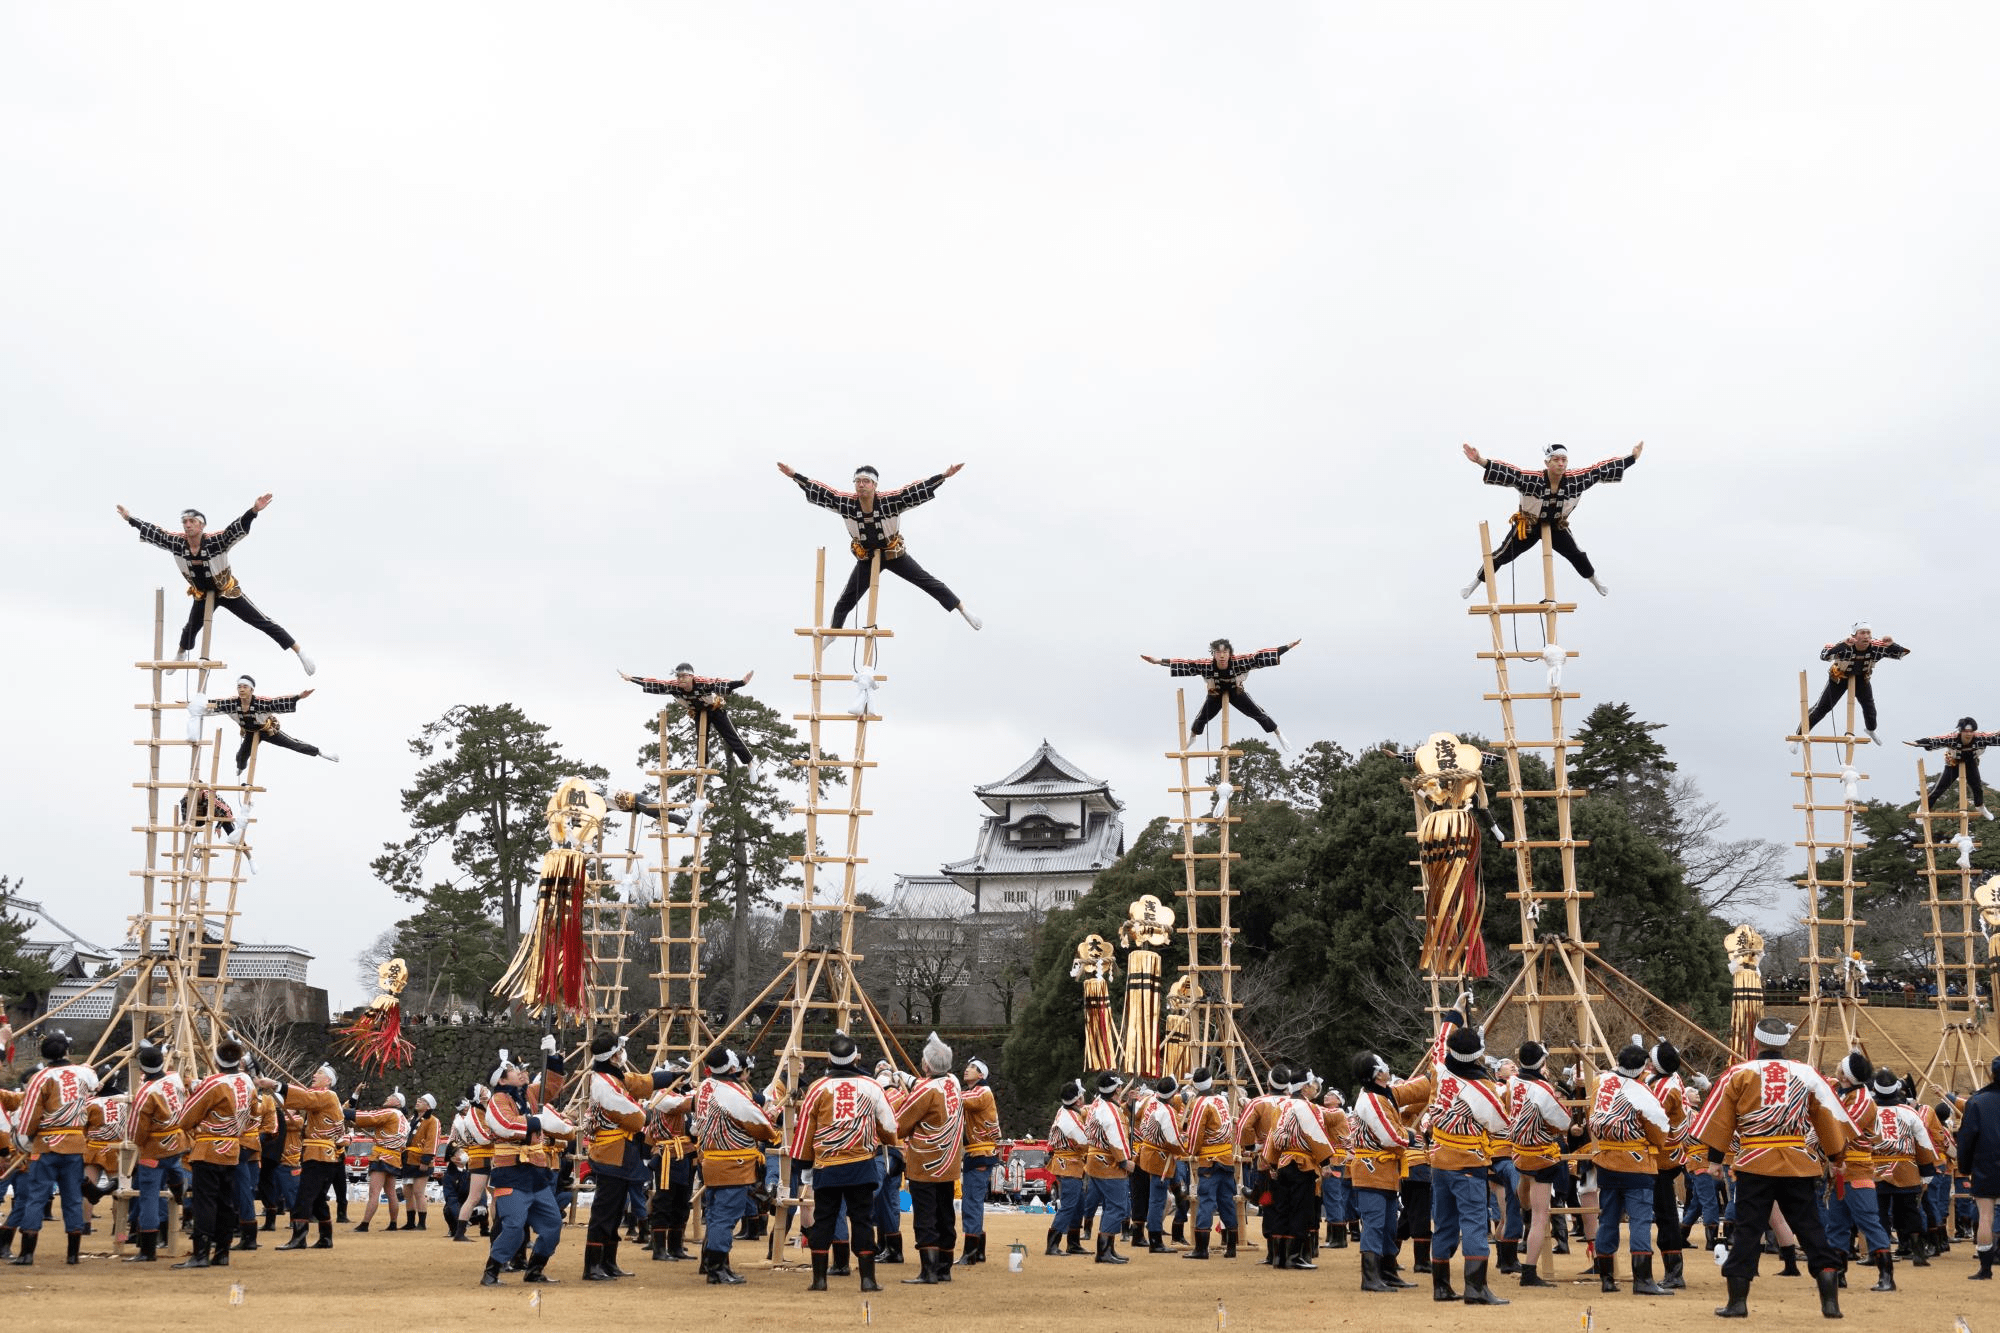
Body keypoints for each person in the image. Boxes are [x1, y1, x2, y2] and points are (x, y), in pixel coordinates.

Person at [1690, 1016, 1851, 1319]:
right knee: (1811, 1227)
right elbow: (1827, 1118)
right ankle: (1830, 1302)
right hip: (1798, 1161)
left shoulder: (1739, 1073)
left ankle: (1737, 1302)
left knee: (1749, 1229)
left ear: (1756, 1041)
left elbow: (1721, 1120)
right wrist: (1835, 1158)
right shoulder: (1807, 1073)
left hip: (1755, 1160)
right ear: (1785, 1043)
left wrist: (1714, 1160)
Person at [118, 496, 315, 671]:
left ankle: (299, 651)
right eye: (185, 522)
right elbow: (156, 532)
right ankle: (180, 654)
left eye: (192, 521)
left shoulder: (216, 541)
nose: (187, 525)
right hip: (202, 593)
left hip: (227, 591)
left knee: (261, 620)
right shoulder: (177, 542)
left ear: (202, 525)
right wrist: (130, 519)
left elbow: (234, 529)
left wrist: (253, 511)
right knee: (190, 629)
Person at [777, 461, 980, 630]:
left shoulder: (891, 501)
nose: (861, 485)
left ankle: (962, 608)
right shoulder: (845, 503)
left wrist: (944, 476)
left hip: (893, 553)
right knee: (846, 599)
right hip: (866, 556)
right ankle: (832, 632)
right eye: (858, 481)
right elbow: (823, 492)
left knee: (927, 581)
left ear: (874, 485)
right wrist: (795, 476)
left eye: (866, 481)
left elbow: (915, 490)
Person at [1459, 441, 1644, 598]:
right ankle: (1475, 582)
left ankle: (1595, 580)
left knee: (1577, 554)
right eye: (1556, 460)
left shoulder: (1576, 480)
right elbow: (1510, 473)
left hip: (1557, 526)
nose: (1561, 464)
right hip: (1529, 524)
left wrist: (1632, 458)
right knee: (1502, 554)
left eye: (1564, 460)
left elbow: (1599, 470)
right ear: (1547, 462)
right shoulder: (1532, 480)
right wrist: (1481, 461)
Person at [792, 1033, 897, 1293]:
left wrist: (803, 1165)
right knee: (862, 1220)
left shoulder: (818, 1088)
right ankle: (868, 1280)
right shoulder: (871, 1086)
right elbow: (889, 1127)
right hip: (861, 1165)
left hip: (826, 1166)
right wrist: (885, 1138)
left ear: (829, 1059)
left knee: (824, 1219)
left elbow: (805, 1130)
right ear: (856, 1058)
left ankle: (819, 1280)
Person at [1426, 1015, 1513, 1306]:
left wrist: (1452, 1016)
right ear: (1477, 1055)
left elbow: (1440, 1043)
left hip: (1439, 1159)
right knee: (1474, 1222)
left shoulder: (1440, 1069)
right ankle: (1476, 1288)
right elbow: (1500, 1123)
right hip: (1467, 1161)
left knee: (1444, 1223)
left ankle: (1441, 1286)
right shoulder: (1481, 1088)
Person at [476, 1043, 574, 1287]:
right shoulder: (497, 1100)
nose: (520, 1072)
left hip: (536, 1173)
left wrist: (553, 1057)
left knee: (552, 1224)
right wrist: (536, 1122)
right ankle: (492, 1270)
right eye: (513, 1070)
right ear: (501, 1080)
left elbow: (551, 1087)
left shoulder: (529, 1094)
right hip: (510, 1172)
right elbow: (505, 1125)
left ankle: (535, 1269)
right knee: (513, 1225)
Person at [1585, 1044, 1673, 1296]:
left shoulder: (1601, 1082)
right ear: (1642, 1068)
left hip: (1606, 1159)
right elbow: (1660, 1130)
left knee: (1608, 1218)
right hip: (1636, 1163)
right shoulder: (1641, 1091)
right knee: (1640, 1220)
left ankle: (1606, 1278)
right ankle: (1642, 1279)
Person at [690, 1046, 778, 1285]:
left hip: (710, 1160)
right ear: (732, 1068)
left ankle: (717, 1265)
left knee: (716, 1214)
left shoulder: (705, 1086)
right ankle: (717, 1269)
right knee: (725, 1217)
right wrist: (770, 1118)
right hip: (732, 1163)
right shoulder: (732, 1092)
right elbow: (760, 1125)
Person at [8, 1032, 98, 1267]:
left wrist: (26, 1137)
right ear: (67, 1051)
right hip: (75, 1142)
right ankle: (73, 1255)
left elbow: (30, 1116)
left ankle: (27, 1254)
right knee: (72, 1197)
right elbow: (95, 1084)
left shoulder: (40, 1078)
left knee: (36, 1197)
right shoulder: (83, 1073)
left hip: (46, 1143)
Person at [169, 1040, 258, 1270]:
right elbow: (254, 1111)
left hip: (208, 1148)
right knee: (226, 1201)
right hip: (233, 1147)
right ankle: (222, 1252)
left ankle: (201, 1252)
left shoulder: (213, 1083)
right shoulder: (246, 1081)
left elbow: (186, 1117)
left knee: (205, 1201)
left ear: (217, 1061)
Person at [1350, 1048, 1429, 1293]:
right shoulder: (1372, 1100)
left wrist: (1434, 1074)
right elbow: (1391, 1136)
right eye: (1382, 1064)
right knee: (1375, 1223)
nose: (1387, 1067)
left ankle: (1387, 1271)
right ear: (1377, 1074)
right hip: (1372, 1168)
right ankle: (1370, 1276)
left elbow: (1411, 1090)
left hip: (1385, 1170)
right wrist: (1412, 1136)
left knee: (1388, 1225)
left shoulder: (1383, 1094)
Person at [1822, 1050, 1898, 1291]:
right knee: (1836, 1223)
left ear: (1845, 1075)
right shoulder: (1845, 1091)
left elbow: (1841, 1131)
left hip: (1856, 1168)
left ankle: (1886, 1276)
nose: (1836, 1067)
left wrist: (1832, 1156)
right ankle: (1839, 1274)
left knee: (1869, 1221)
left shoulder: (1862, 1101)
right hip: (1840, 1169)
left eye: (1840, 1065)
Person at [894, 1033, 966, 1284]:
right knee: (945, 1214)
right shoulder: (953, 1083)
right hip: (949, 1162)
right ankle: (944, 1268)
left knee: (925, 1216)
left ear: (926, 1065)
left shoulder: (924, 1090)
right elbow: (927, 1084)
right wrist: (907, 1078)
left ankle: (929, 1270)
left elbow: (900, 1124)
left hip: (925, 1162)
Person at [1141, 639, 1299, 748]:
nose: (1222, 656)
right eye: (1218, 652)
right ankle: (1192, 737)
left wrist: (1287, 647)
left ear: (1229, 653)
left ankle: (1278, 733)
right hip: (1215, 691)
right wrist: (1157, 661)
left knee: (1257, 712)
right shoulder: (1206, 665)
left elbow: (1259, 657)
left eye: (1225, 652)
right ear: (1214, 654)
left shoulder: (1239, 661)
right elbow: (1185, 664)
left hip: (1235, 690)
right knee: (1202, 716)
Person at [258, 1063, 342, 1252]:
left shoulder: (327, 1095)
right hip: (323, 1155)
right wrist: (276, 1088)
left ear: (328, 1081)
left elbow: (305, 1098)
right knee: (318, 1199)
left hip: (318, 1154)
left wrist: (277, 1085)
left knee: (304, 1196)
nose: (314, 1075)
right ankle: (326, 1238)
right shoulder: (323, 1098)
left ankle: (299, 1238)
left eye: (319, 1073)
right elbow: (302, 1099)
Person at [1507, 1041, 1571, 1288]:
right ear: (1542, 1062)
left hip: (1518, 1150)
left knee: (1529, 1203)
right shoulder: (1542, 1088)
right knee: (1540, 1216)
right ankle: (1529, 1271)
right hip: (1540, 1153)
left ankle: (1523, 1215)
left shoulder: (1513, 1082)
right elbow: (1563, 1121)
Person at [1260, 1069, 1334, 1271]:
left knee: (1282, 1208)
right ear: (1305, 1087)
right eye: (1312, 1084)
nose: (1315, 1088)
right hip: (1302, 1163)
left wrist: (1272, 1163)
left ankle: (1279, 1257)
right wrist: (1326, 1162)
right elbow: (1315, 1134)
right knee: (1300, 1210)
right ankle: (1294, 1257)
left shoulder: (1281, 1106)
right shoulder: (1307, 1107)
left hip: (1283, 1162)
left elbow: (1272, 1135)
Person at [122, 1042, 188, 1263]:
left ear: (141, 1068)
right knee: (174, 1166)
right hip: (177, 1141)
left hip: (153, 1148)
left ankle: (148, 1250)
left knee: (148, 1197)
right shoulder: (174, 1078)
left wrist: (138, 1144)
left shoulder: (145, 1092)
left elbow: (136, 1129)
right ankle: (178, 1186)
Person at [1870, 1068, 1940, 1269]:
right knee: (1911, 1211)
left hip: (1877, 1168)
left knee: (1879, 1213)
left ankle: (1881, 1253)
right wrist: (1926, 1172)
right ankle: (1918, 1252)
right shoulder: (1909, 1112)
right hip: (1907, 1168)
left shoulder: (1868, 1112)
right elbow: (1923, 1143)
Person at [620, 666, 757, 766]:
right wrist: (632, 679)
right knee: (701, 740)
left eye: (683, 676)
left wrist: (741, 683)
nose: (681, 680)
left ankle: (749, 762)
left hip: (714, 709)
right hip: (697, 711)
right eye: (678, 677)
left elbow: (721, 683)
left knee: (730, 735)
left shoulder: (703, 683)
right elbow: (654, 683)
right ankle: (703, 764)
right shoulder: (674, 686)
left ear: (691, 676)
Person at [201, 676, 338, 775]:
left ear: (251, 689)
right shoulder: (231, 703)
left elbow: (278, 702)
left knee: (293, 744)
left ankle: (319, 752)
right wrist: (194, 704)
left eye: (245, 687)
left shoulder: (261, 703)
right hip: (249, 732)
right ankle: (241, 768)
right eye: (239, 687)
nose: (241, 690)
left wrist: (298, 697)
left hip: (267, 729)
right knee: (241, 757)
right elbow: (212, 705)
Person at [1800, 622, 1909, 745]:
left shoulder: (1876, 647)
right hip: (1839, 678)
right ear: (1854, 636)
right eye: (1862, 633)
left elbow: (1902, 653)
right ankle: (1800, 734)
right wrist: (1842, 645)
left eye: (1868, 633)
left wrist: (1892, 645)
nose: (1866, 636)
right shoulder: (1845, 645)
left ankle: (1871, 730)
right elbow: (1824, 656)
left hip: (1862, 679)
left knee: (1869, 707)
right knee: (1822, 707)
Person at [1641, 1040, 1691, 1290]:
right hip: (1667, 1152)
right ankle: (1672, 1269)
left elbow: (1652, 1118)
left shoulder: (1665, 1088)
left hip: (1662, 1154)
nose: (1648, 1063)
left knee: (1665, 1212)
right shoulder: (1670, 1079)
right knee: (1664, 1211)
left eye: (1651, 1060)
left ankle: (1674, 1271)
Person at [1177, 1068, 1237, 1261]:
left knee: (1206, 1201)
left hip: (1210, 1161)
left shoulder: (1200, 1104)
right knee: (1227, 1201)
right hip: (1227, 1157)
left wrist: (1190, 1150)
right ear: (1211, 1083)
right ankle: (1231, 1247)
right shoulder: (1221, 1100)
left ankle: (1201, 1249)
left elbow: (1196, 1133)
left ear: (1195, 1086)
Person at [641, 1062, 696, 1262]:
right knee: (664, 1199)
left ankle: (676, 1246)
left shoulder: (684, 1095)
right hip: (668, 1153)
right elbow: (678, 1104)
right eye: (674, 1073)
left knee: (682, 1200)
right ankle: (659, 1249)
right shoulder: (662, 1095)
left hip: (686, 1152)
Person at [1079, 1071, 1135, 1265]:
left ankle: (1108, 1248)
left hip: (1095, 1159)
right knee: (1117, 1206)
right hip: (1108, 1163)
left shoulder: (1097, 1104)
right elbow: (1116, 1138)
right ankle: (1104, 1251)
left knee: (1111, 1206)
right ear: (1117, 1089)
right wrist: (1124, 1161)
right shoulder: (1110, 1110)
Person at [1956, 1054, 2000, 1279]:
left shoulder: (1976, 1102)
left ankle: (1985, 1268)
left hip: (1986, 1164)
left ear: (1992, 1074)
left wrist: (1964, 1166)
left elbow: (1966, 1138)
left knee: (1985, 1216)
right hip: (1987, 1163)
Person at [957, 1056, 1001, 1265]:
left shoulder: (982, 1091)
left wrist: (940, 1089)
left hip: (980, 1152)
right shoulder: (975, 1091)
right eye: (967, 1066)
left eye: (973, 1067)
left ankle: (971, 1252)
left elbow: (958, 1100)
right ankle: (978, 1250)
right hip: (978, 1152)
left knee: (971, 1203)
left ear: (981, 1074)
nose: (967, 1069)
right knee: (973, 1202)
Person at [1911, 718, 2000, 820]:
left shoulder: (1980, 737)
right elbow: (1935, 740)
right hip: (1953, 763)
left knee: (1977, 787)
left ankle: (1980, 806)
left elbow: (1994, 736)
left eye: (1971, 732)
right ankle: (1924, 807)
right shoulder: (1952, 738)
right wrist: (1918, 743)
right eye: (1966, 731)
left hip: (1971, 762)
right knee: (1939, 788)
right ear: (1960, 731)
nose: (1968, 734)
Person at [351, 1089, 409, 1231]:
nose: (387, 1097)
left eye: (391, 1096)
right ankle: (393, 1223)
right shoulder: (403, 1119)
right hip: (394, 1158)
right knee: (391, 1193)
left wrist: (348, 1113)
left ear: (397, 1103)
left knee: (374, 1192)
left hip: (382, 1156)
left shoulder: (389, 1112)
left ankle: (365, 1224)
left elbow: (370, 1117)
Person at [1320, 1086, 1353, 1251]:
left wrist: (1301, 1104)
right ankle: (1335, 1236)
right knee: (1333, 1196)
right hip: (1334, 1159)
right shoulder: (1333, 1113)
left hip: (1335, 1160)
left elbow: (1319, 1115)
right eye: (1326, 1094)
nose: (1326, 1096)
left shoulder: (1337, 1112)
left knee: (1333, 1196)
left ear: (1339, 1101)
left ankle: (1338, 1238)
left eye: (1331, 1095)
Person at [402, 1093, 438, 1231]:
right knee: (407, 1192)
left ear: (428, 1106)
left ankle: (422, 1223)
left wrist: (426, 1159)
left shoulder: (432, 1121)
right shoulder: (412, 1119)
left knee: (418, 1192)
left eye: (422, 1101)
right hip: (408, 1159)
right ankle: (410, 1222)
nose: (418, 1101)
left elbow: (432, 1141)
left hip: (421, 1159)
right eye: (418, 1099)